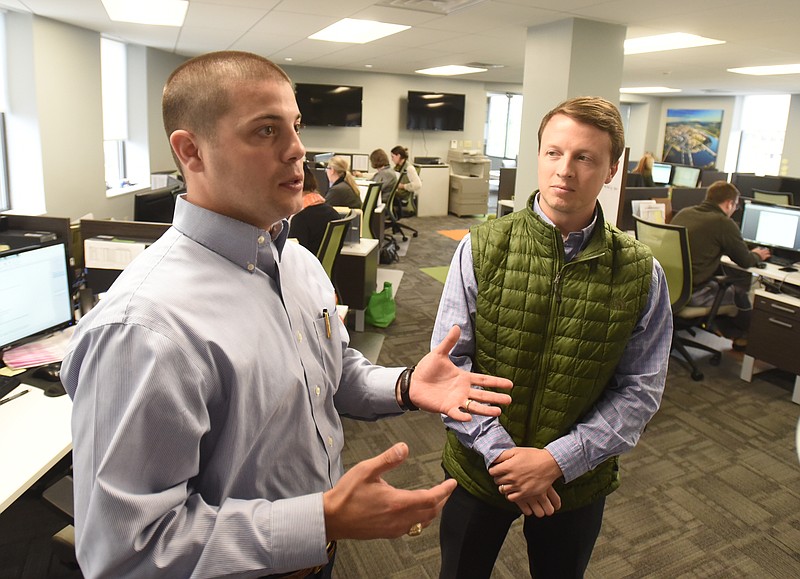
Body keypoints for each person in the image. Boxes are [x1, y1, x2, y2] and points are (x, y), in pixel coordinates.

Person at [61, 50, 514, 579]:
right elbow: (124, 552)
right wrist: (317, 520)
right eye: (266, 131)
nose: (298, 149)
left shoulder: (295, 261)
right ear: (191, 152)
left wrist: (405, 385)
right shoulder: (145, 326)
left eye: (295, 126)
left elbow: (330, 372)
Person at [431, 96, 673, 578]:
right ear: (538, 155)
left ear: (611, 170)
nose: (565, 170)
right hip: (481, 469)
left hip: (575, 482)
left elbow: (641, 390)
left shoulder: (640, 271)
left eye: (585, 157)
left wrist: (556, 461)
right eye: (553, 153)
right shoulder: (483, 246)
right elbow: (451, 367)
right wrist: (505, 457)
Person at [670, 180, 771, 348]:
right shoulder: (723, 223)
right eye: (735, 206)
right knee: (737, 292)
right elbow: (745, 261)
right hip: (691, 295)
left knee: (724, 285)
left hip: (669, 289)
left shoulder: (685, 213)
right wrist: (757, 255)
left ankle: (731, 334)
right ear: (729, 203)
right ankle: (750, 341)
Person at [289, 163, 342, 254]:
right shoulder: (331, 212)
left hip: (306, 266)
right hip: (317, 266)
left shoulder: (300, 218)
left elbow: (291, 255)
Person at [391, 145, 422, 214]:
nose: (391, 159)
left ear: (398, 156)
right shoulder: (398, 167)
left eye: (393, 157)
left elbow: (418, 185)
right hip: (397, 193)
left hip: (402, 196)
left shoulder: (409, 168)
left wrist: (403, 186)